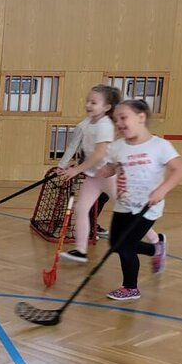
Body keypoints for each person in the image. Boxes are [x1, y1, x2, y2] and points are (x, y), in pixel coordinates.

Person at [92, 99, 182, 302]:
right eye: (116, 120)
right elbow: (113, 167)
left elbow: (178, 169)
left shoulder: (160, 146)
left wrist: (162, 190)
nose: (118, 123)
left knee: (126, 246)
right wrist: (102, 172)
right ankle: (155, 248)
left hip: (148, 207)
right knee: (115, 244)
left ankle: (130, 288)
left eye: (123, 118)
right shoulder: (117, 146)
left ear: (141, 117)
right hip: (124, 204)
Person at [56, 84, 120, 262]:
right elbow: (79, 148)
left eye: (94, 102)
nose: (88, 105)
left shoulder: (105, 125)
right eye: (88, 101)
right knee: (81, 209)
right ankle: (81, 250)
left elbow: (99, 154)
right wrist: (65, 165)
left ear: (106, 107)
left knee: (128, 211)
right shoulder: (87, 124)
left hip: (107, 177)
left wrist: (76, 170)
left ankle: (156, 239)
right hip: (92, 177)